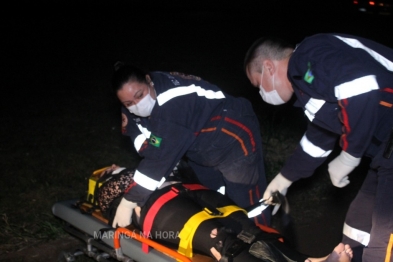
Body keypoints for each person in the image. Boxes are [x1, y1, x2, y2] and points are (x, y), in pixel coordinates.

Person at [243, 33, 393, 262]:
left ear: (269, 68)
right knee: (356, 228)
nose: (262, 93)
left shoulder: (309, 55)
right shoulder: (306, 88)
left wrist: (350, 155)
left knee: (383, 244)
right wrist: (284, 179)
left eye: (257, 84)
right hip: (384, 155)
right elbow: (318, 140)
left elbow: (360, 88)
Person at [110, 63, 270, 229]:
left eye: (140, 95)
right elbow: (148, 146)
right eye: (129, 103)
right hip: (197, 144)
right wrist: (163, 169)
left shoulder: (173, 102)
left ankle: (265, 240)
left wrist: (130, 200)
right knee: (212, 196)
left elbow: (160, 156)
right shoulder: (131, 108)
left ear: (149, 80)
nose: (137, 105)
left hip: (233, 136)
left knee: (246, 202)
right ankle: (228, 235)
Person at [97, 165, 353, 262]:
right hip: (157, 204)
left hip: (187, 189)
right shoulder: (107, 190)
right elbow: (114, 210)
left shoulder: (148, 159)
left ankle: (308, 261)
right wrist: (117, 180)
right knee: (218, 237)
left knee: (243, 224)